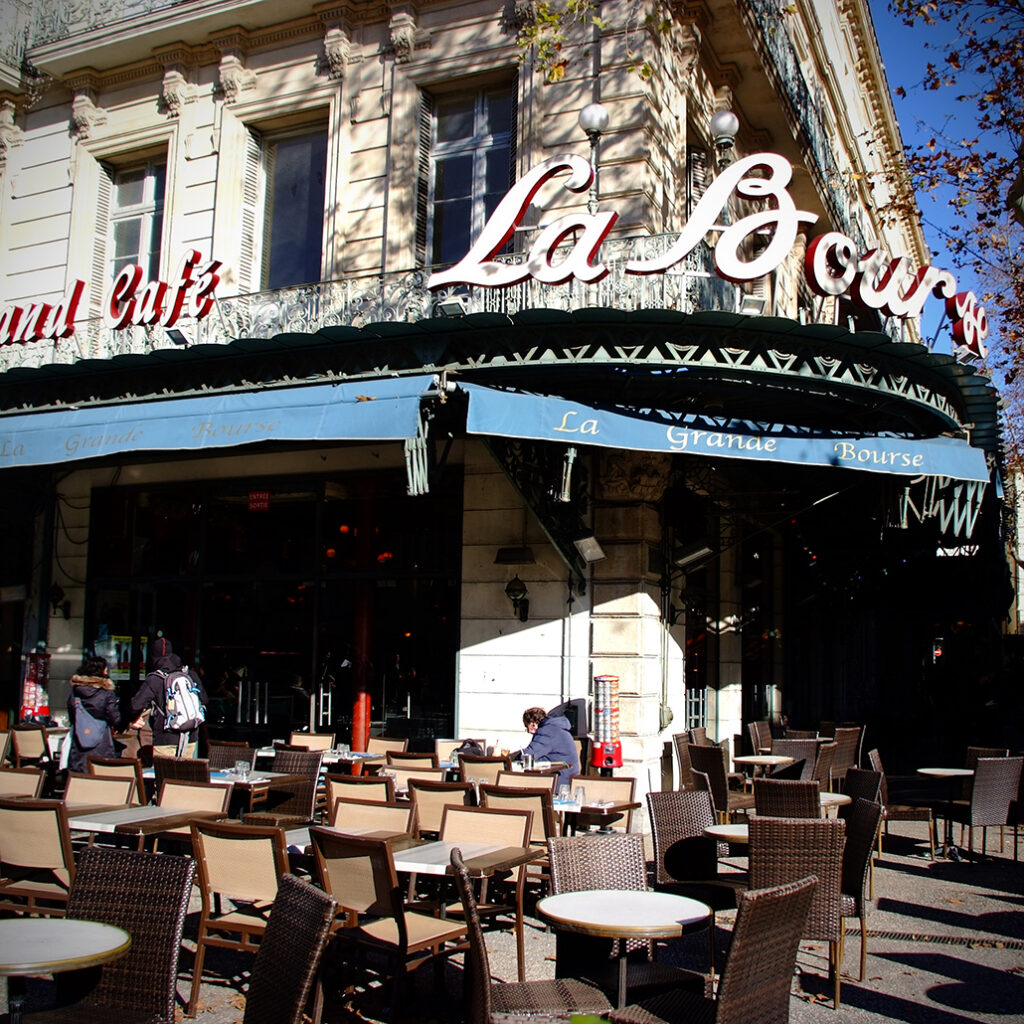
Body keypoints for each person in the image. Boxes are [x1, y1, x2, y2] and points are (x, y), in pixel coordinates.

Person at [130, 634, 208, 758]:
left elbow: (135, 705)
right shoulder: (190, 675)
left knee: (164, 776)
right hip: (190, 736)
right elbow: (204, 700)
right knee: (184, 776)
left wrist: (133, 718)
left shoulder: (155, 679)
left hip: (165, 737)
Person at [66, 654, 121, 773]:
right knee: (101, 772)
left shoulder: (76, 691)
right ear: (102, 670)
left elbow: (72, 714)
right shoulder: (106, 692)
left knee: (79, 773)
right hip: (102, 741)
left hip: (79, 740)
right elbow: (114, 717)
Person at [512, 706, 580, 788]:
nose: (528, 731)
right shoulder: (556, 728)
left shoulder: (546, 732)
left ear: (533, 723)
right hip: (567, 776)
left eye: (527, 726)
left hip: (559, 781)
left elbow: (529, 755)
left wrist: (511, 757)